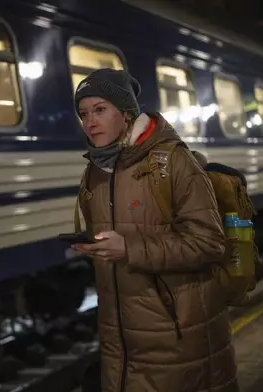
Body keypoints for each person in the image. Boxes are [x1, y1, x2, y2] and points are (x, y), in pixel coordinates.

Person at [72, 68, 238, 392]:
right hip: (121, 345)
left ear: (126, 112)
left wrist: (129, 249)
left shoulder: (174, 162)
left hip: (178, 342)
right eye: (83, 113)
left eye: (100, 110)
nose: (90, 121)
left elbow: (209, 243)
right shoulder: (96, 172)